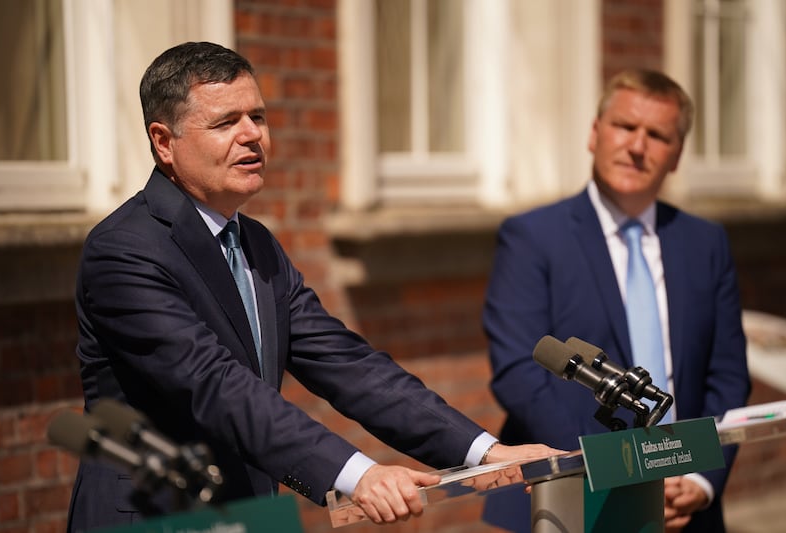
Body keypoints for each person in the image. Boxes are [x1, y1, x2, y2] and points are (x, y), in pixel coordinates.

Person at [66, 41, 559, 532]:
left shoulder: (255, 242)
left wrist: (484, 452)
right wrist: (357, 475)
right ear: (164, 142)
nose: (252, 135)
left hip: (247, 517)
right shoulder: (125, 250)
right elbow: (215, 385)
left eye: (257, 117)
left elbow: (346, 365)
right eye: (225, 122)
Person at [481, 68, 750, 532]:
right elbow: (519, 372)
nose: (638, 146)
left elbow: (727, 376)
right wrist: (620, 473)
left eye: (657, 135)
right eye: (625, 126)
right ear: (594, 133)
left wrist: (702, 479)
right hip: (569, 500)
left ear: (677, 155)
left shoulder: (705, 243)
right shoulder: (532, 237)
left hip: (684, 504)